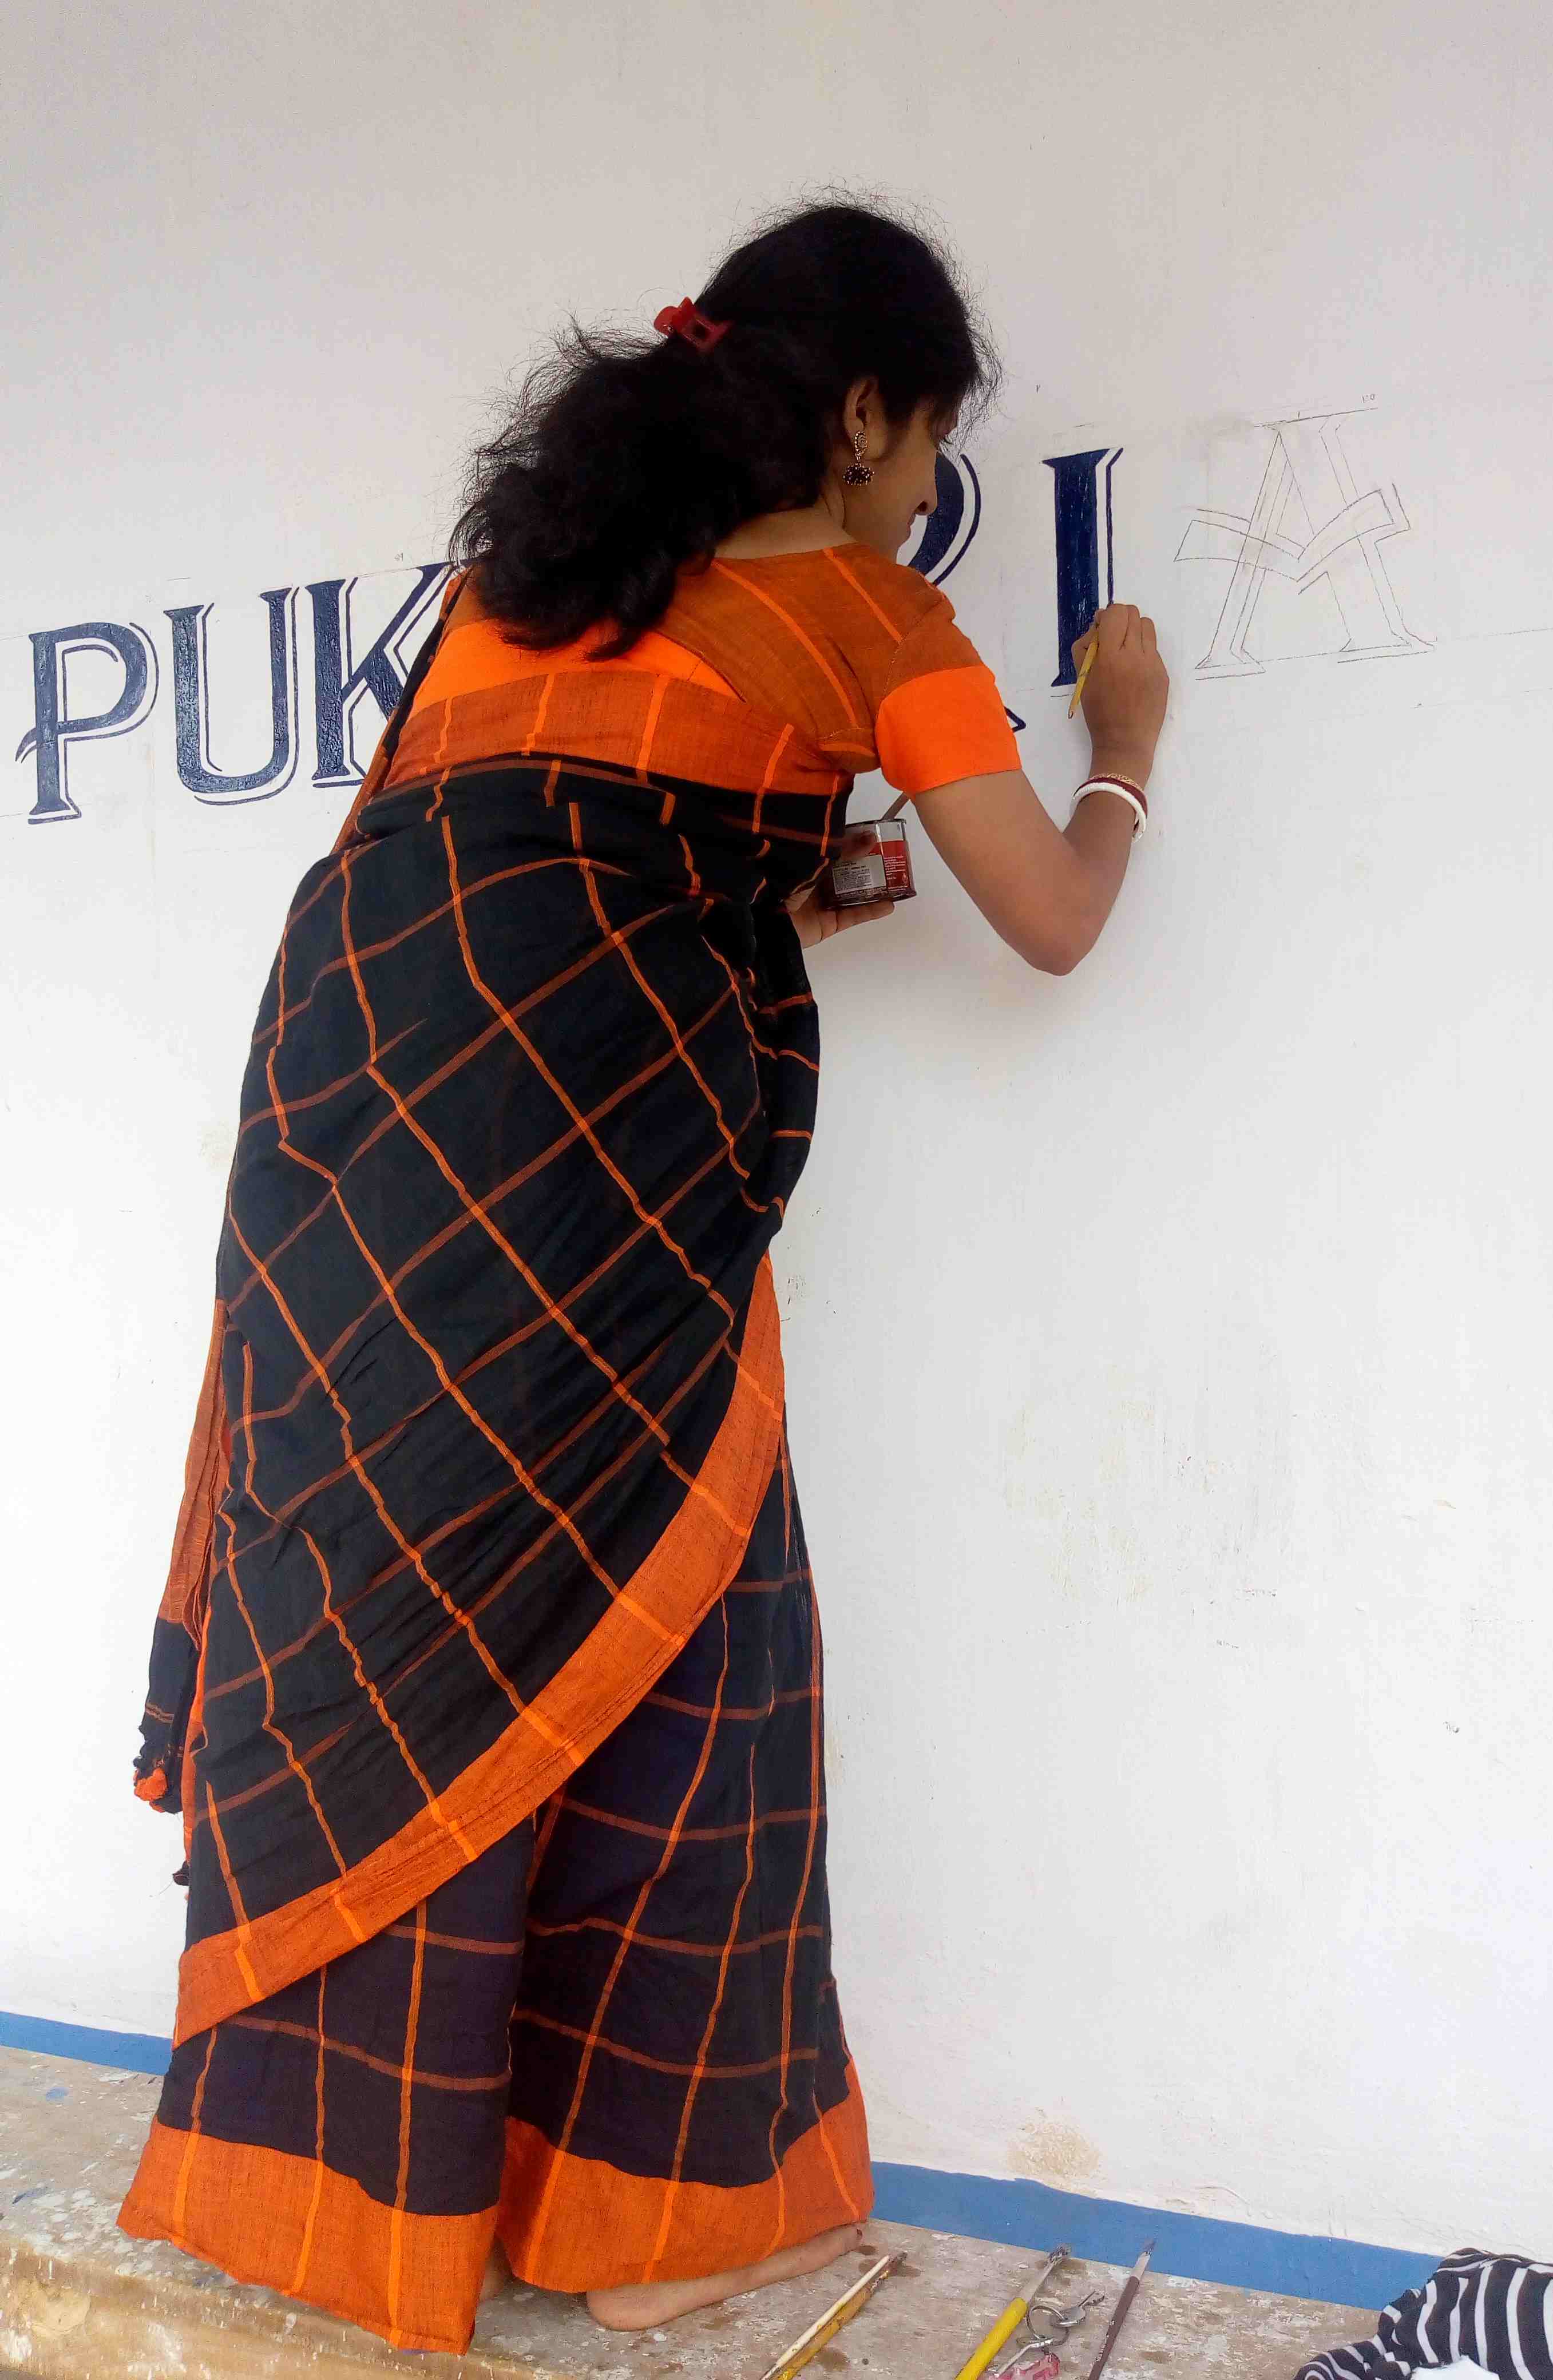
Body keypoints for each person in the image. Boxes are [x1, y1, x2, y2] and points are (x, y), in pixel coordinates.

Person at [118, 195, 1170, 2355]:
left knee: (385, 1591)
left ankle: (335, 2198)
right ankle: (631, 2211)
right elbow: (1054, 919)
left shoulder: (518, 590)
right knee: (683, 1636)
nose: (919, 496)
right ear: (864, 414)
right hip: (587, 1190)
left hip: (348, 1125)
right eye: (926, 447)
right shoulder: (870, 612)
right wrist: (1128, 744)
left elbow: (513, 862)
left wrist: (745, 903)